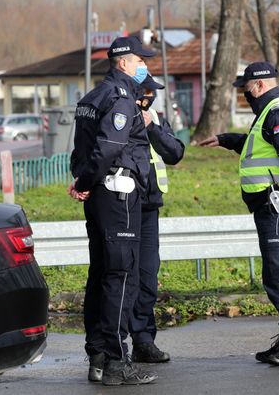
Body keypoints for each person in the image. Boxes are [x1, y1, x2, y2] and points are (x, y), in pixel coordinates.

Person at [199, 61, 279, 366]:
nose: (244, 93)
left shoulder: (277, 112)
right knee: (275, 273)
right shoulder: (268, 113)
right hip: (270, 206)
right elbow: (261, 148)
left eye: (246, 88)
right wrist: (228, 140)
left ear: (260, 85)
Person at [68, 36, 158, 386]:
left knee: (102, 274)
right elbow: (108, 148)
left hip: (100, 196)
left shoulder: (91, 98)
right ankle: (118, 363)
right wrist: (87, 181)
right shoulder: (121, 99)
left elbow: (80, 151)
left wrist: (82, 180)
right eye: (139, 61)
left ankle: (98, 357)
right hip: (118, 195)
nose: (142, 67)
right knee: (121, 277)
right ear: (124, 63)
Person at [130, 74, 185, 363]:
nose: (151, 96)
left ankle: (143, 340)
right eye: (147, 91)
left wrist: (151, 127)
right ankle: (111, 345)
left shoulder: (154, 117)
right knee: (122, 277)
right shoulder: (118, 113)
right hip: (123, 206)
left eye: (154, 92)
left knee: (148, 277)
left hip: (150, 207)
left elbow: (175, 152)